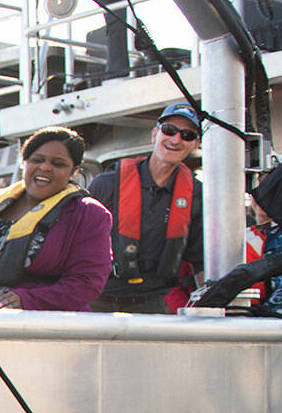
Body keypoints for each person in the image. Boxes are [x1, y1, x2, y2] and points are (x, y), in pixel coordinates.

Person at [0, 127, 111, 312]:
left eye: (58, 164)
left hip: (32, 326)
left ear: (74, 172)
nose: (45, 167)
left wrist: (27, 300)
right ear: (23, 162)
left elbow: (87, 282)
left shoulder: (89, 214)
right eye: (37, 160)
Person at [86, 102, 205, 313]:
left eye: (187, 135)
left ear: (195, 145)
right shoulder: (106, 184)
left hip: (153, 303)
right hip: (97, 299)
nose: (176, 139)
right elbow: (77, 242)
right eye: (169, 131)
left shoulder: (197, 194)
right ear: (154, 135)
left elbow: (199, 259)